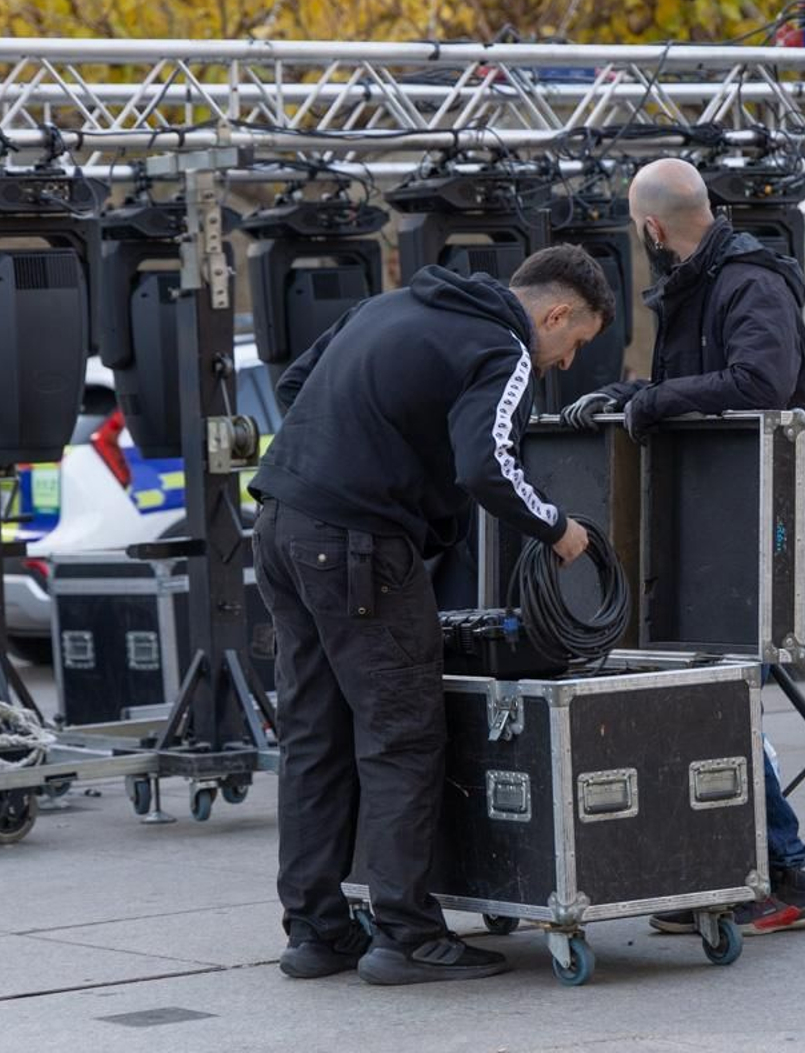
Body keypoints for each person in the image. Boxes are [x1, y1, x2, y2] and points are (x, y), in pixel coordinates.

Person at [251, 245, 614, 984]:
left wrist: (364, 456)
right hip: (358, 546)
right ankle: (407, 935)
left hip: (281, 524)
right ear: (554, 314)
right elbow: (487, 466)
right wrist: (556, 526)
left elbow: (295, 384)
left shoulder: (390, 306)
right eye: (575, 342)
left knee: (315, 732)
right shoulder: (503, 348)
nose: (567, 362)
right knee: (403, 733)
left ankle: (316, 932)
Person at [561, 157, 805, 934]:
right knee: (705, 699)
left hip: (755, 533)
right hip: (716, 531)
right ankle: (721, 875)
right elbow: (698, 387)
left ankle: (784, 872)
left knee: (723, 703)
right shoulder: (699, 284)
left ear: (652, 228)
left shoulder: (748, 282)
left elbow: (758, 382)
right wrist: (629, 397)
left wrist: (653, 401)